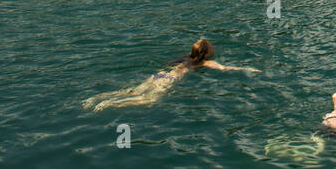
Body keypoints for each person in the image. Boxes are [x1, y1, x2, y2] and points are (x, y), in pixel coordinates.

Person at [84, 38, 258, 111]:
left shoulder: (186, 57)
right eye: (211, 47)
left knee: (132, 91)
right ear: (205, 53)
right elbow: (225, 69)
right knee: (149, 100)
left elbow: (168, 64)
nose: (214, 48)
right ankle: (109, 104)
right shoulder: (205, 63)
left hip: (160, 75)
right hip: (170, 80)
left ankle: (96, 98)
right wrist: (248, 69)